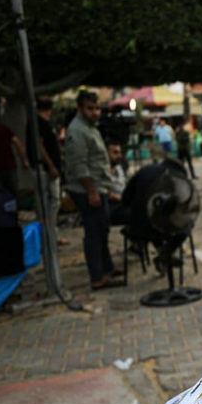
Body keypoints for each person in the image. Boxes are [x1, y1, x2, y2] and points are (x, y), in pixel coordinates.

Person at [65, 91, 120, 289]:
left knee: (102, 228)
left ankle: (107, 268)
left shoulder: (90, 127)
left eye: (97, 108)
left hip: (98, 186)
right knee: (94, 232)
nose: (95, 112)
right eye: (90, 108)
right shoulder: (77, 131)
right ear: (79, 108)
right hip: (87, 189)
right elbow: (79, 165)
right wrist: (92, 191)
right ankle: (97, 277)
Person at [35, 99, 65, 243]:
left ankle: (51, 232)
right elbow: (40, 146)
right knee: (52, 202)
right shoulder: (39, 123)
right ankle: (49, 233)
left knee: (54, 202)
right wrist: (51, 165)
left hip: (50, 167)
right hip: (47, 169)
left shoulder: (45, 123)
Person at [107, 142, 130, 225]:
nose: (119, 156)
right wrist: (124, 198)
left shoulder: (119, 168)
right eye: (115, 152)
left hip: (124, 204)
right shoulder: (103, 171)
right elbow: (107, 194)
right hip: (112, 207)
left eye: (120, 152)